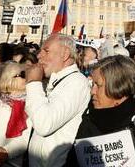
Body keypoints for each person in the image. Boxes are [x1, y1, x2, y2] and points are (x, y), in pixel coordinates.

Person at [65, 55, 135, 166]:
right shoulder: (90, 119)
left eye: (98, 85)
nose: (92, 91)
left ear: (119, 89)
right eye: (92, 84)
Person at [25, 33, 90, 167]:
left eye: (46, 51)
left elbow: (44, 124)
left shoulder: (76, 82)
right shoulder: (55, 80)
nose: (39, 56)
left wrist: (33, 83)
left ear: (65, 54)